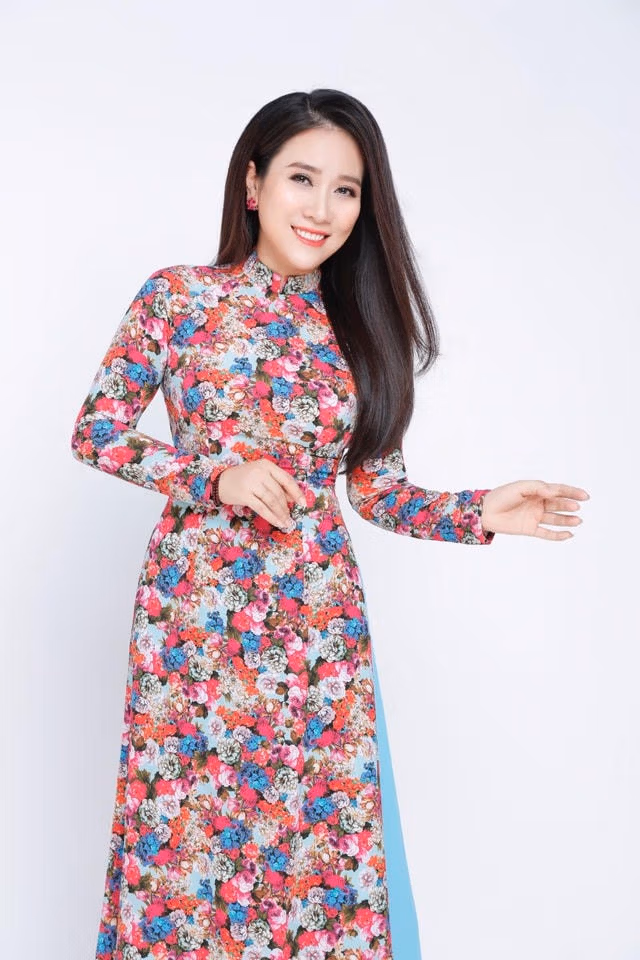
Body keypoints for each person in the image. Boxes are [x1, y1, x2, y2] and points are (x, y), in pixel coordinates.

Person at [71, 88, 589, 960]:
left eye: (346, 189)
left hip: (318, 630)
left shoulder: (356, 330)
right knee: (186, 857)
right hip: (195, 623)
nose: (321, 208)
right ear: (253, 183)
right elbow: (96, 432)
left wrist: (477, 512)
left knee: (320, 861)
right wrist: (218, 477)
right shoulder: (179, 298)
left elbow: (377, 490)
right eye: (302, 179)